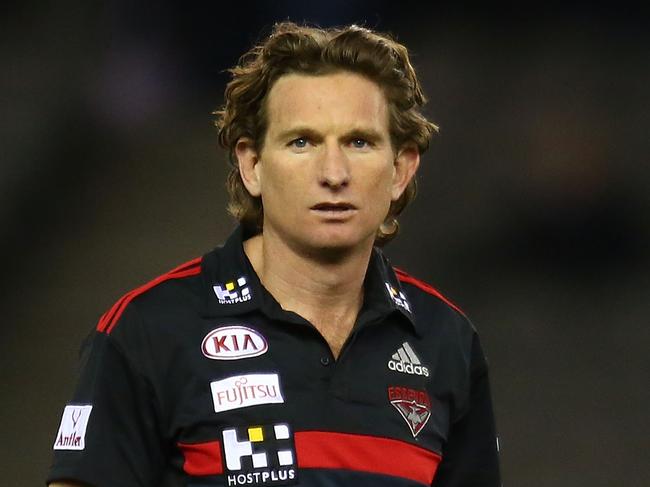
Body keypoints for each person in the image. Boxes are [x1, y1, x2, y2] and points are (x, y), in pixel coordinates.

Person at [48, 22, 501, 487]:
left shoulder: (446, 341)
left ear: (401, 169)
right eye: (301, 141)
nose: (333, 172)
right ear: (252, 165)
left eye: (359, 142)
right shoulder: (149, 330)